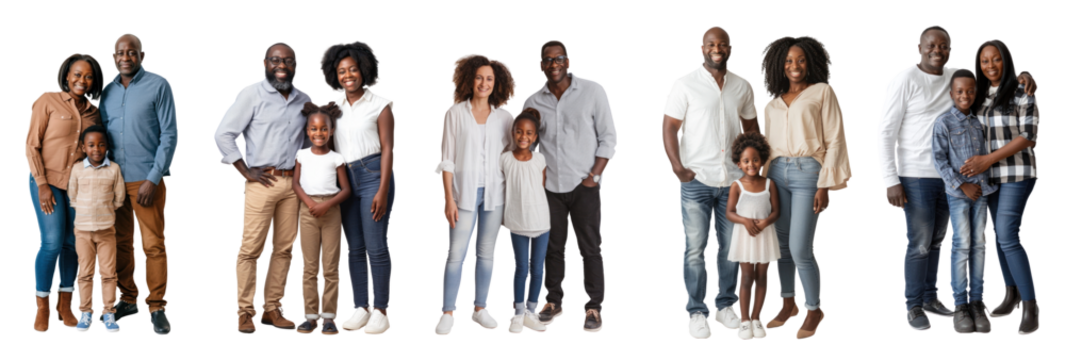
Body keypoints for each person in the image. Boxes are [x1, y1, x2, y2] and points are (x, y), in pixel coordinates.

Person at [875, 26, 1037, 332]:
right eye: (931, 46)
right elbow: (884, 132)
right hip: (917, 175)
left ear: (951, 50)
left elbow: (993, 82)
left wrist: (1023, 77)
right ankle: (913, 306)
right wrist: (889, 179)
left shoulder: (955, 77)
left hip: (955, 180)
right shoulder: (902, 80)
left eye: (945, 47)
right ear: (918, 47)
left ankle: (931, 297)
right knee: (920, 243)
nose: (938, 51)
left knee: (941, 241)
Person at [662, 26, 759, 339]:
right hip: (696, 180)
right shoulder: (683, 85)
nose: (717, 48)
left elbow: (753, 131)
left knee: (730, 249)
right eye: (711, 44)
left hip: (734, 182)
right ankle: (696, 311)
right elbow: (668, 128)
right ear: (701, 48)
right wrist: (677, 167)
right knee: (694, 248)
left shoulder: (743, 86)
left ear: (730, 48)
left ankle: (724, 306)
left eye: (723, 43)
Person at [213, 41, 315, 335]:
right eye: (275, 60)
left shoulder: (304, 100)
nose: (282, 65)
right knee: (250, 249)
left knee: (284, 249)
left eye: (289, 61)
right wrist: (243, 169)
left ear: (296, 65)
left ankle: (272, 308)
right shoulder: (250, 94)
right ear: (264, 63)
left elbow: (309, 143)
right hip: (261, 182)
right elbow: (223, 133)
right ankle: (244, 312)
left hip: (293, 184)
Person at [758, 35, 852, 340]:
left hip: (809, 173)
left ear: (811, 62)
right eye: (788, 61)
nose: (794, 66)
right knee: (781, 247)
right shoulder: (771, 104)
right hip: (775, 173)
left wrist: (825, 184)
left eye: (800, 60)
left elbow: (836, 140)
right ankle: (788, 303)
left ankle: (815, 309)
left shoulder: (823, 93)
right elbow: (764, 146)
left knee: (801, 247)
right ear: (779, 65)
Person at [520, 40, 617, 333]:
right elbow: (529, 146)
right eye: (547, 60)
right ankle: (554, 301)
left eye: (559, 58)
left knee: (590, 247)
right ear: (541, 65)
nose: (554, 64)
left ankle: (593, 307)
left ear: (568, 61)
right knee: (552, 246)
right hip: (548, 188)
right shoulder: (531, 102)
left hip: (584, 184)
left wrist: (593, 176)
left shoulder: (594, 91)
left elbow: (609, 138)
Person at [99, 32, 177, 335]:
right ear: (113, 58)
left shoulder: (160, 85)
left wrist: (153, 178)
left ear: (142, 56)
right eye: (120, 53)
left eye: (132, 52)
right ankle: (129, 299)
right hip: (113, 183)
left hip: (148, 181)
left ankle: (157, 306)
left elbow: (169, 134)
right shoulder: (106, 91)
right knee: (120, 244)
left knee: (154, 245)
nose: (126, 57)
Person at [960, 39, 1040, 335]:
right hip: (989, 178)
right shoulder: (979, 94)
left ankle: (1032, 306)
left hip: (1018, 174)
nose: (991, 65)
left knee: (1007, 235)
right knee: (998, 235)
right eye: (984, 61)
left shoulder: (1022, 89)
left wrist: (987, 160)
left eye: (996, 59)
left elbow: (1028, 135)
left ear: (1006, 60)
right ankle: (1011, 294)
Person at [431, 53, 515, 336]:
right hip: (462, 194)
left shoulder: (506, 117)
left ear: (497, 83)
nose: (483, 83)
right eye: (479, 77)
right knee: (456, 253)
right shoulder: (454, 113)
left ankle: (480, 308)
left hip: (496, 194)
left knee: (487, 253)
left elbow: (511, 159)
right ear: (470, 79)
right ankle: (447, 311)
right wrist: (448, 198)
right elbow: (447, 160)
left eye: (489, 78)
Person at [317, 41, 397, 335]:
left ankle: (381, 311)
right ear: (334, 75)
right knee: (354, 247)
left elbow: (389, 149)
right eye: (341, 71)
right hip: (345, 180)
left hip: (375, 175)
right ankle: (361, 306)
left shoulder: (381, 105)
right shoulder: (334, 108)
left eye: (352, 69)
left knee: (376, 246)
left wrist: (383, 189)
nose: (347, 75)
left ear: (364, 70)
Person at [26, 53, 106, 333]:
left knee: (73, 243)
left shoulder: (93, 111)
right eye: (77, 74)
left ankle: (65, 305)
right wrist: (42, 184)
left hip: (78, 187)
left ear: (94, 81)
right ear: (66, 75)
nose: (81, 80)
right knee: (51, 241)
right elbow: (31, 145)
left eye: (88, 76)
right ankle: (43, 307)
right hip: (45, 181)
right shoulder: (46, 100)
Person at [930, 68, 997, 334]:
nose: (965, 95)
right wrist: (962, 184)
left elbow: (989, 156)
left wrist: (982, 183)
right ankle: (960, 306)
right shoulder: (944, 123)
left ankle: (977, 303)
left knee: (980, 244)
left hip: (983, 193)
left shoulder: (980, 122)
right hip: (959, 195)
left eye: (970, 91)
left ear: (975, 92)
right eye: (959, 91)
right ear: (951, 93)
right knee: (961, 245)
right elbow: (940, 160)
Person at [291, 101, 351, 336]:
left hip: (331, 211)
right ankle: (309, 316)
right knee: (309, 265)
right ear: (308, 131)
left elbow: (345, 190)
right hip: (307, 211)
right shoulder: (302, 155)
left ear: (331, 131)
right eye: (314, 129)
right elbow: (296, 183)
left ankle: (328, 317)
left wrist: (326, 204)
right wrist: (310, 203)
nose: (319, 133)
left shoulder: (336, 158)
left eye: (323, 129)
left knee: (331, 265)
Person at [67, 126, 126, 333]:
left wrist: (105, 211)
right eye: (91, 145)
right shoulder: (77, 169)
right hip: (82, 230)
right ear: (84, 147)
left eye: (101, 144)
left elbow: (119, 198)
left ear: (107, 147)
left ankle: (108, 314)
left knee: (108, 273)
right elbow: (72, 196)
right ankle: (85, 314)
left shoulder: (114, 169)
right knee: (85, 272)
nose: (96, 149)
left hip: (106, 230)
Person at [724, 132, 781, 340]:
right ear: (738, 163)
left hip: (765, 236)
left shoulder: (769, 184)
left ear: (762, 160)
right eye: (746, 160)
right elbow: (730, 212)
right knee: (746, 278)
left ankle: (757, 319)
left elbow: (776, 211)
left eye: (755, 159)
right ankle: (745, 321)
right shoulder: (736, 186)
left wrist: (765, 221)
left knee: (762, 278)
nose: (751, 164)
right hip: (745, 237)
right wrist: (746, 221)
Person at [500, 108, 552, 334]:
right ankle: (517, 315)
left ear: (535, 136)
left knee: (538, 269)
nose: (523, 137)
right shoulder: (504, 160)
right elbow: (501, 189)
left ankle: (532, 312)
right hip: (516, 222)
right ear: (513, 133)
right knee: (520, 268)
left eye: (529, 133)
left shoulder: (540, 159)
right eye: (519, 132)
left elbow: (540, 187)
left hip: (541, 222)